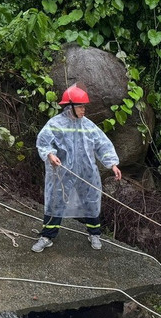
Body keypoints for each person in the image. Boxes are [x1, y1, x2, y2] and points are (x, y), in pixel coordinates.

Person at [32, 84, 122, 253]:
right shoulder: (55, 124)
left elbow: (102, 144)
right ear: (70, 106)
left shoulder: (88, 126)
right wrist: (50, 155)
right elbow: (43, 142)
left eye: (84, 106)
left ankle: (94, 234)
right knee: (55, 201)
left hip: (86, 172)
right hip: (61, 172)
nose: (83, 110)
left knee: (91, 200)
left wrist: (112, 164)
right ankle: (47, 236)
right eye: (80, 106)